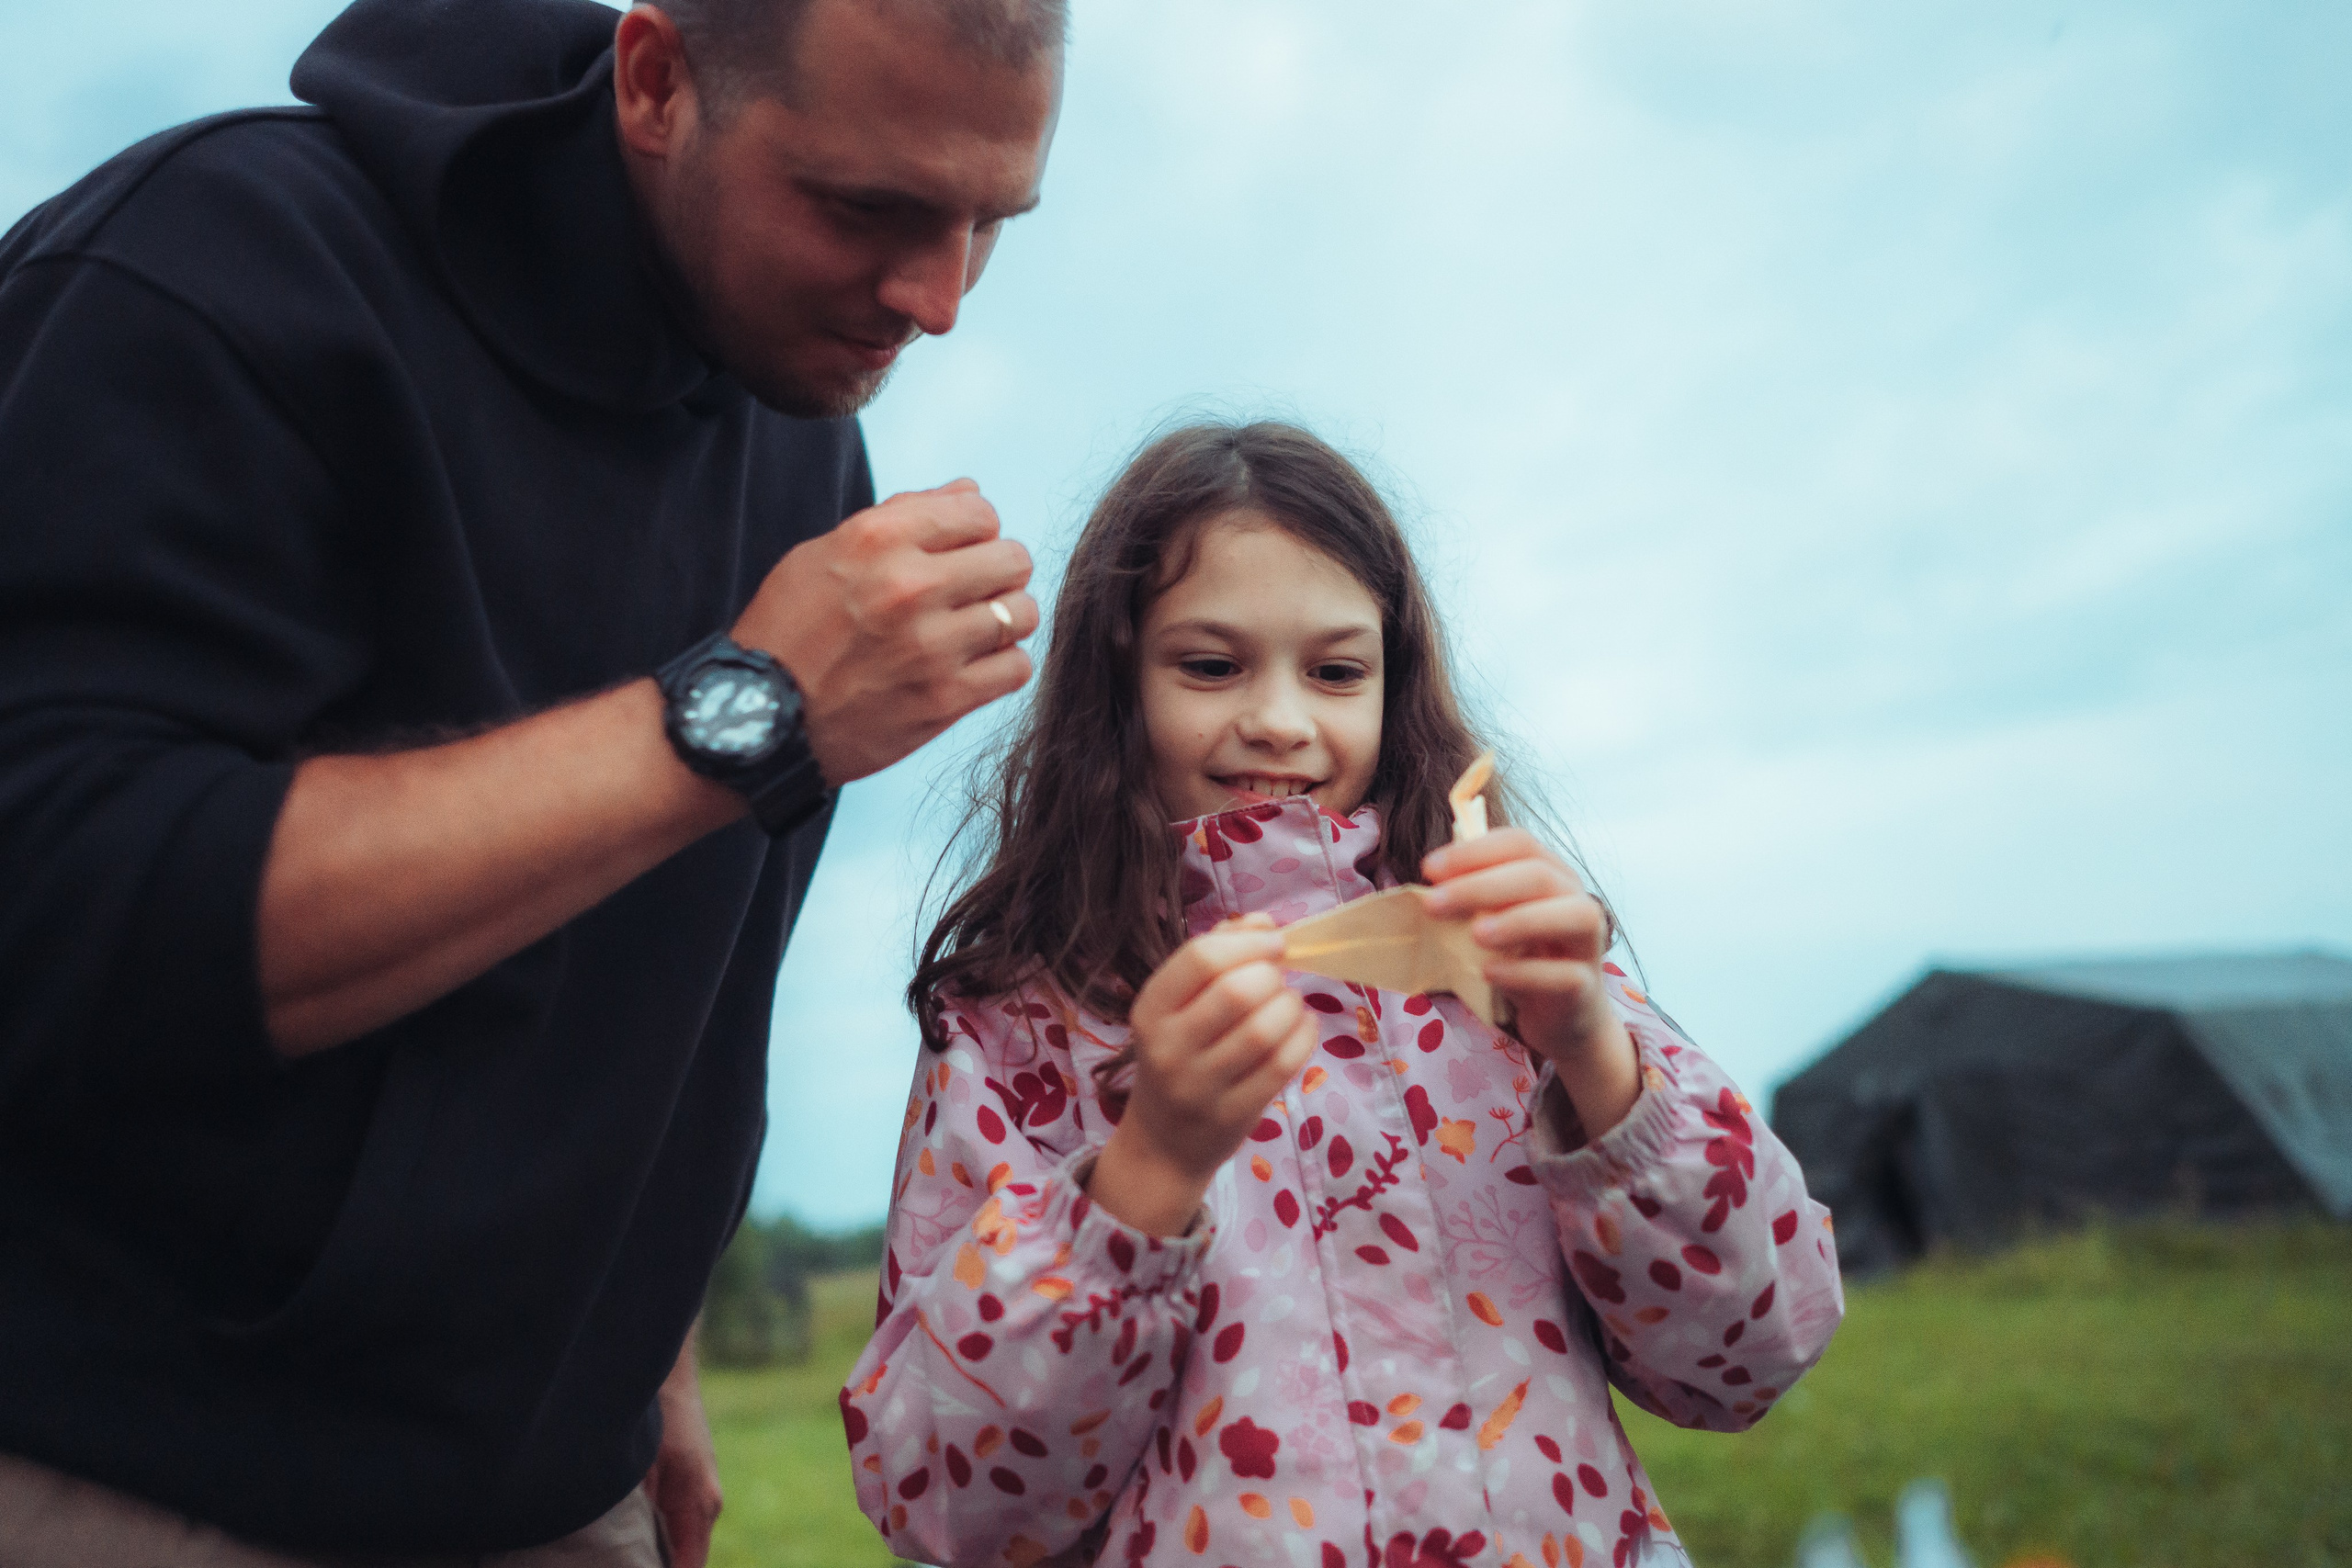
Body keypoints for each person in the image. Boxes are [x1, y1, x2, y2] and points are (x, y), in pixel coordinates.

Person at [0, 0, 1064, 1562]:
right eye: (867, 207)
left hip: (568, 1497)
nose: (938, 297)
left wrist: (652, 1360)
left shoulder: (798, 454)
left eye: (991, 223)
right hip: (132, 1478)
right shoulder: (212, 269)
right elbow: (54, 905)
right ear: (654, 80)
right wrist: (744, 711)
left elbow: (665, 995)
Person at [843, 423, 1848, 1568]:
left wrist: (1593, 1053)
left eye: (1335, 671)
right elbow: (949, 1506)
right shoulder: (1017, 1026)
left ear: (1395, 685)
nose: (1280, 718)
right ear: (1114, 690)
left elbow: (1752, 1352)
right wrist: (1150, 1167)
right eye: (1210, 665)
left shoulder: (1511, 974)